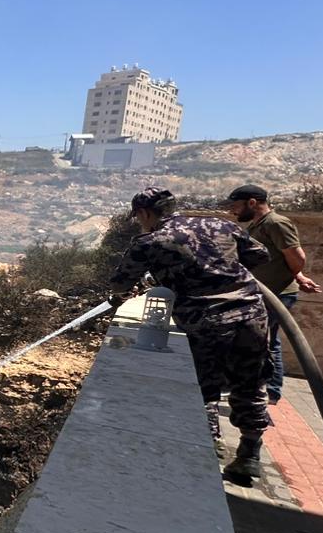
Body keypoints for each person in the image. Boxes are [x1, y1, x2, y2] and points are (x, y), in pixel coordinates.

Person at [108, 187, 274, 484]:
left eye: (139, 217)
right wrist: (221, 269)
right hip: (252, 314)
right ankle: (249, 454)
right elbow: (261, 255)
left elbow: (120, 284)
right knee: (251, 382)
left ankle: (208, 450)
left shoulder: (150, 241)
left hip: (206, 320)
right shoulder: (220, 225)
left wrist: (169, 274)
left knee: (205, 387)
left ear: (144, 213)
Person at [224, 184, 322, 405]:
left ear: (252, 203)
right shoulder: (258, 225)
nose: (232, 211)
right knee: (266, 340)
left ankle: (269, 391)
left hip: (276, 294)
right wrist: (299, 277)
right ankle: (262, 388)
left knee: (263, 341)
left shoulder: (276, 223)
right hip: (264, 292)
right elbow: (280, 257)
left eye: (235, 205)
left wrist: (294, 276)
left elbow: (297, 257)